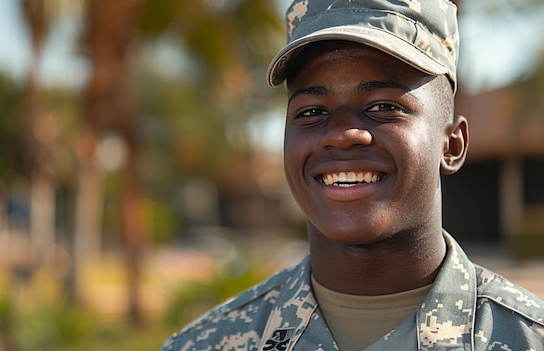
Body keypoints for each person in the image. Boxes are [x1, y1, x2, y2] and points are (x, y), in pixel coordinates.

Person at [161, 0, 544, 350]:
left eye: (382, 106)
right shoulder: (206, 343)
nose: (342, 134)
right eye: (311, 111)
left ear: (452, 144)